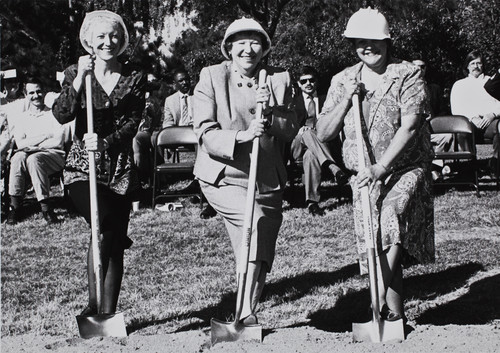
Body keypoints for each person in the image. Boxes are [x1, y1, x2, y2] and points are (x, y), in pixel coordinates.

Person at [316, 7, 435, 322]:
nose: (367, 47)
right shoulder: (343, 79)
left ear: (387, 41)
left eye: (374, 40)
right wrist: (345, 100)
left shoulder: (407, 74)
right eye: (359, 41)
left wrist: (382, 167)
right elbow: (323, 132)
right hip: (364, 175)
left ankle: (375, 305)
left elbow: (410, 126)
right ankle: (394, 315)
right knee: (379, 237)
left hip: (406, 167)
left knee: (391, 217)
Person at [193, 17, 298, 324]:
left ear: (264, 48)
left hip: (265, 177)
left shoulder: (279, 78)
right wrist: (243, 136)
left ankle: (246, 311)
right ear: (229, 47)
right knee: (255, 221)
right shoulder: (212, 77)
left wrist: (273, 111)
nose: (247, 49)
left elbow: (291, 129)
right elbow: (205, 132)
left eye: (254, 42)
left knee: (258, 243)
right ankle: (245, 311)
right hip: (223, 175)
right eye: (240, 42)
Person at [52, 10, 146, 315]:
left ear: (122, 40)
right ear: (89, 41)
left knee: (115, 240)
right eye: (101, 37)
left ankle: (108, 313)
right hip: (82, 167)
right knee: (103, 228)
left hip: (119, 169)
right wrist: (80, 78)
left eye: (114, 35)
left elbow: (134, 121)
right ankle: (92, 307)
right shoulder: (74, 73)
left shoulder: (135, 76)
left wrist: (106, 141)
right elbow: (62, 113)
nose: (108, 42)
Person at [5, 76, 65, 225]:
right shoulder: (22, 118)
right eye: (31, 93)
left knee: (34, 158)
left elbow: (58, 141)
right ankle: (15, 207)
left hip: (53, 155)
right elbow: (20, 142)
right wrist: (45, 136)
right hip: (27, 155)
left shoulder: (53, 114)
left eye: (38, 91)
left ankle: (46, 208)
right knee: (18, 158)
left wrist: (34, 147)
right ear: (26, 95)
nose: (36, 96)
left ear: (44, 92)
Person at [290, 65, 347, 216]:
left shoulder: (326, 100)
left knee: (311, 155)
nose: (308, 83)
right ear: (298, 84)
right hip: (297, 147)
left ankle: (312, 203)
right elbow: (286, 129)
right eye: (304, 81)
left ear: (316, 82)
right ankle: (334, 168)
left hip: (322, 146)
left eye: (311, 80)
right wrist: (298, 130)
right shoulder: (293, 103)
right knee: (307, 133)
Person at [163, 67, 217, 219]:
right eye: (181, 81)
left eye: (187, 79)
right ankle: (164, 181)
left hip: (197, 134)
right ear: (175, 84)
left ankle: (198, 180)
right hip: (179, 134)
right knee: (156, 138)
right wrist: (176, 134)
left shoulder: (198, 96)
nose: (185, 83)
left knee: (203, 140)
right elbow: (167, 123)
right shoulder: (170, 100)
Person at [450, 51, 500, 167]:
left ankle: (496, 164)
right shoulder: (459, 85)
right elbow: (456, 108)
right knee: (462, 131)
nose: (476, 66)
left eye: (479, 63)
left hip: (491, 122)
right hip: (469, 123)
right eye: (472, 63)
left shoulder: (492, 82)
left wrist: (492, 114)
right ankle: (471, 166)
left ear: (483, 65)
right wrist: (472, 118)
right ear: (467, 66)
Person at [412, 59, 453, 181]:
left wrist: (433, 118)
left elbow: (444, 111)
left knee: (447, 136)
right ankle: (435, 171)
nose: (419, 69)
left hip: (432, 130)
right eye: (416, 67)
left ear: (426, 69)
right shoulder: (404, 89)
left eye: (422, 66)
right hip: (412, 133)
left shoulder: (434, 89)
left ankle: (434, 167)